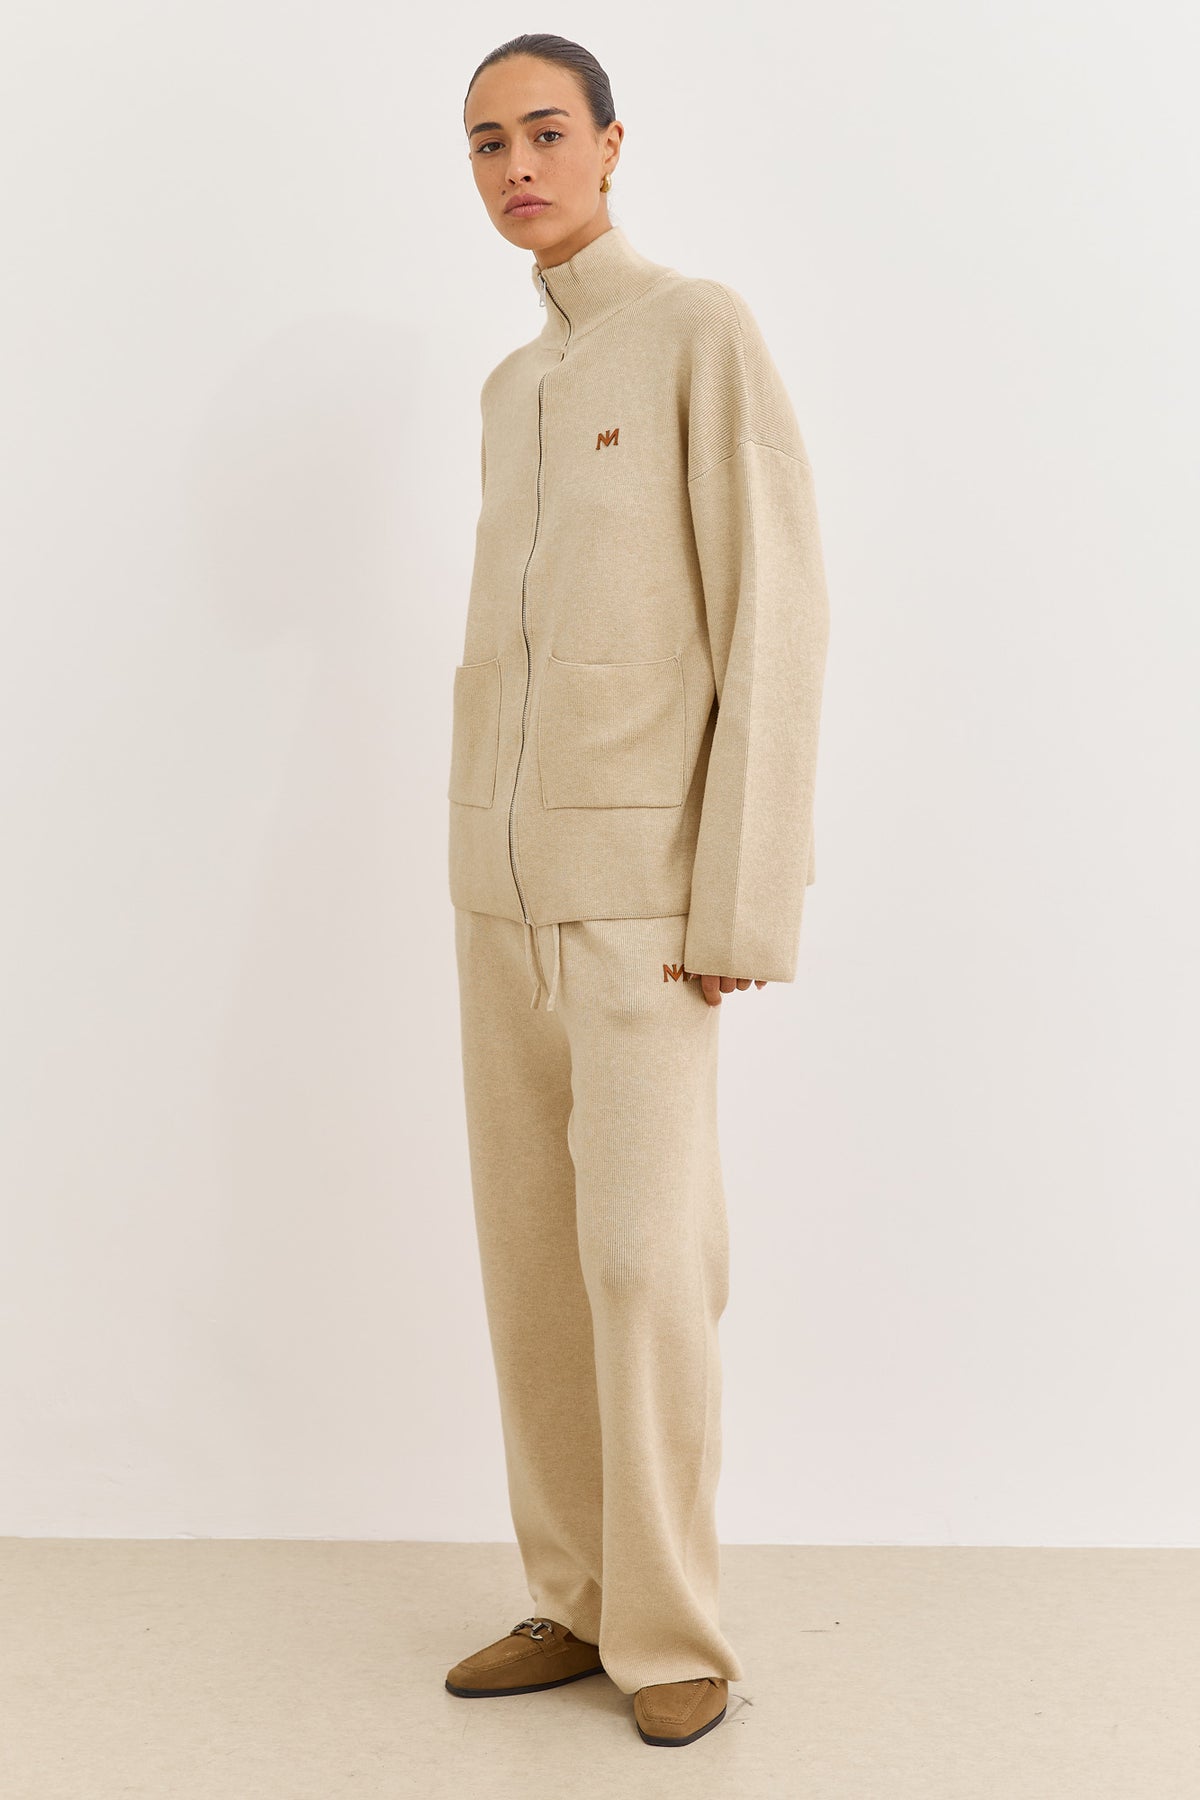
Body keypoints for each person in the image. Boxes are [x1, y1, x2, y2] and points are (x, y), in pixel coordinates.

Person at [443, 33, 831, 1749]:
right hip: (499, 897)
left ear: (611, 144)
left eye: (545, 132)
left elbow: (776, 617)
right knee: (533, 1262)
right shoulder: (509, 390)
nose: (517, 167)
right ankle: (576, 1593)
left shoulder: (696, 332)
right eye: (486, 145)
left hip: (645, 906)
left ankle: (672, 1629)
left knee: (647, 1264)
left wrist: (739, 903)